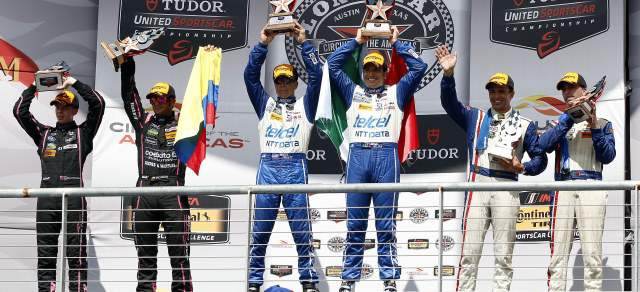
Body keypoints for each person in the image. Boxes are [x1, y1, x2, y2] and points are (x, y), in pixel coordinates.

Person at [435, 45, 547, 292]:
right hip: (477, 185)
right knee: (469, 254)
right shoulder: (474, 117)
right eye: (493, 91)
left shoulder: (526, 125)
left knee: (503, 255)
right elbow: (449, 103)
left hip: (507, 188)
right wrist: (448, 75)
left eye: (502, 91)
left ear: (512, 93)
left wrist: (523, 167)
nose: (496, 96)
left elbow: (541, 160)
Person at [327, 27, 428, 292]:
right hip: (358, 157)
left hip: (386, 156)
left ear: (385, 72)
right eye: (367, 69)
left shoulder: (397, 91)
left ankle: (389, 280)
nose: (371, 74)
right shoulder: (353, 92)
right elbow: (333, 66)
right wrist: (356, 41)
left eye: (377, 69)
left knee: (385, 224)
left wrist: (398, 43)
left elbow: (419, 68)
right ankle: (348, 279)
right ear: (362, 72)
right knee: (355, 224)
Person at [244, 22, 322, 292]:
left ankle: (309, 282)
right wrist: (263, 44)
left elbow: (319, 75)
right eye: (279, 80)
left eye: (288, 79)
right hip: (268, 166)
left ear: (295, 81)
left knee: (302, 232)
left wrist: (304, 43)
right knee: (260, 232)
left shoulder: (305, 105)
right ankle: (254, 282)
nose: (284, 84)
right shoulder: (264, 103)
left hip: (295, 165)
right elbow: (250, 77)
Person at [13, 74, 105, 292]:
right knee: (45, 254)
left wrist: (74, 83)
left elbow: (98, 103)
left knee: (76, 255)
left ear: (74, 110)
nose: (60, 111)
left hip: (74, 198)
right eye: (57, 106)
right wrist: (34, 86)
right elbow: (19, 112)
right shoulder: (44, 134)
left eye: (65, 107)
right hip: (47, 198)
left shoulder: (84, 133)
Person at [120, 56, 192, 292]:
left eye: (161, 98)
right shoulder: (143, 121)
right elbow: (129, 96)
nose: (156, 102)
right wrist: (127, 62)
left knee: (179, 255)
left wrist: (209, 62)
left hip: (174, 191)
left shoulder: (185, 123)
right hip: (145, 191)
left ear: (172, 101)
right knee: (145, 255)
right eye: (153, 98)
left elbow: (203, 98)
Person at [538, 72, 615, 292]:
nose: (567, 92)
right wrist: (569, 117)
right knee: (558, 254)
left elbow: (608, 157)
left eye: (572, 87)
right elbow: (544, 146)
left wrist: (594, 127)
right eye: (564, 89)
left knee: (592, 254)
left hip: (591, 185)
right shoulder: (558, 122)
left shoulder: (603, 122)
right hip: (563, 187)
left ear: (584, 90)